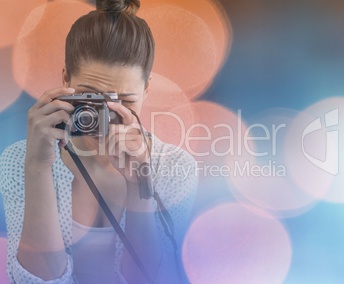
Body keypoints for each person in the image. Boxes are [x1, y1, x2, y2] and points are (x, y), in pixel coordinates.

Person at [0, 0, 198, 283]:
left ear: (147, 89)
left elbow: (151, 279)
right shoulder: (18, 160)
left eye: (124, 102)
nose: (103, 119)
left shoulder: (176, 167)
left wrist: (139, 182)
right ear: (65, 79)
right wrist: (37, 168)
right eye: (90, 99)